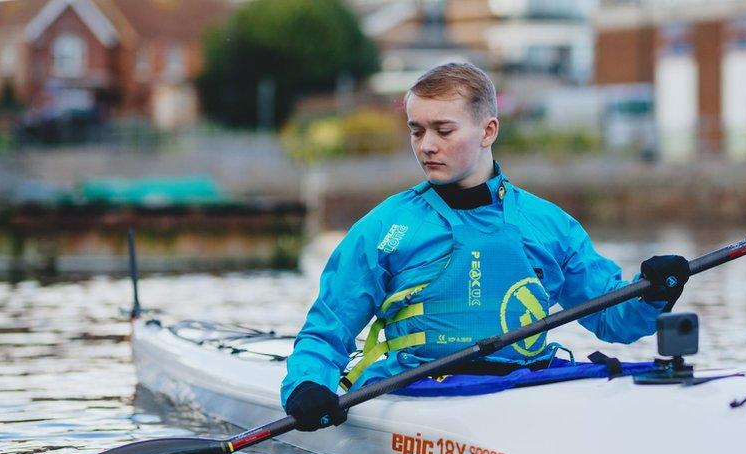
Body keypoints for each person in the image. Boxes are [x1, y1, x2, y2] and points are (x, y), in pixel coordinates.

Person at [282, 63, 690, 431]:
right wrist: (308, 385)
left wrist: (653, 291)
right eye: (416, 130)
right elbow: (326, 332)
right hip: (419, 391)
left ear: (488, 131)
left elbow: (615, 321)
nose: (426, 145)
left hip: (527, 385)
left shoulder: (547, 224)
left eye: (443, 131)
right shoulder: (384, 228)